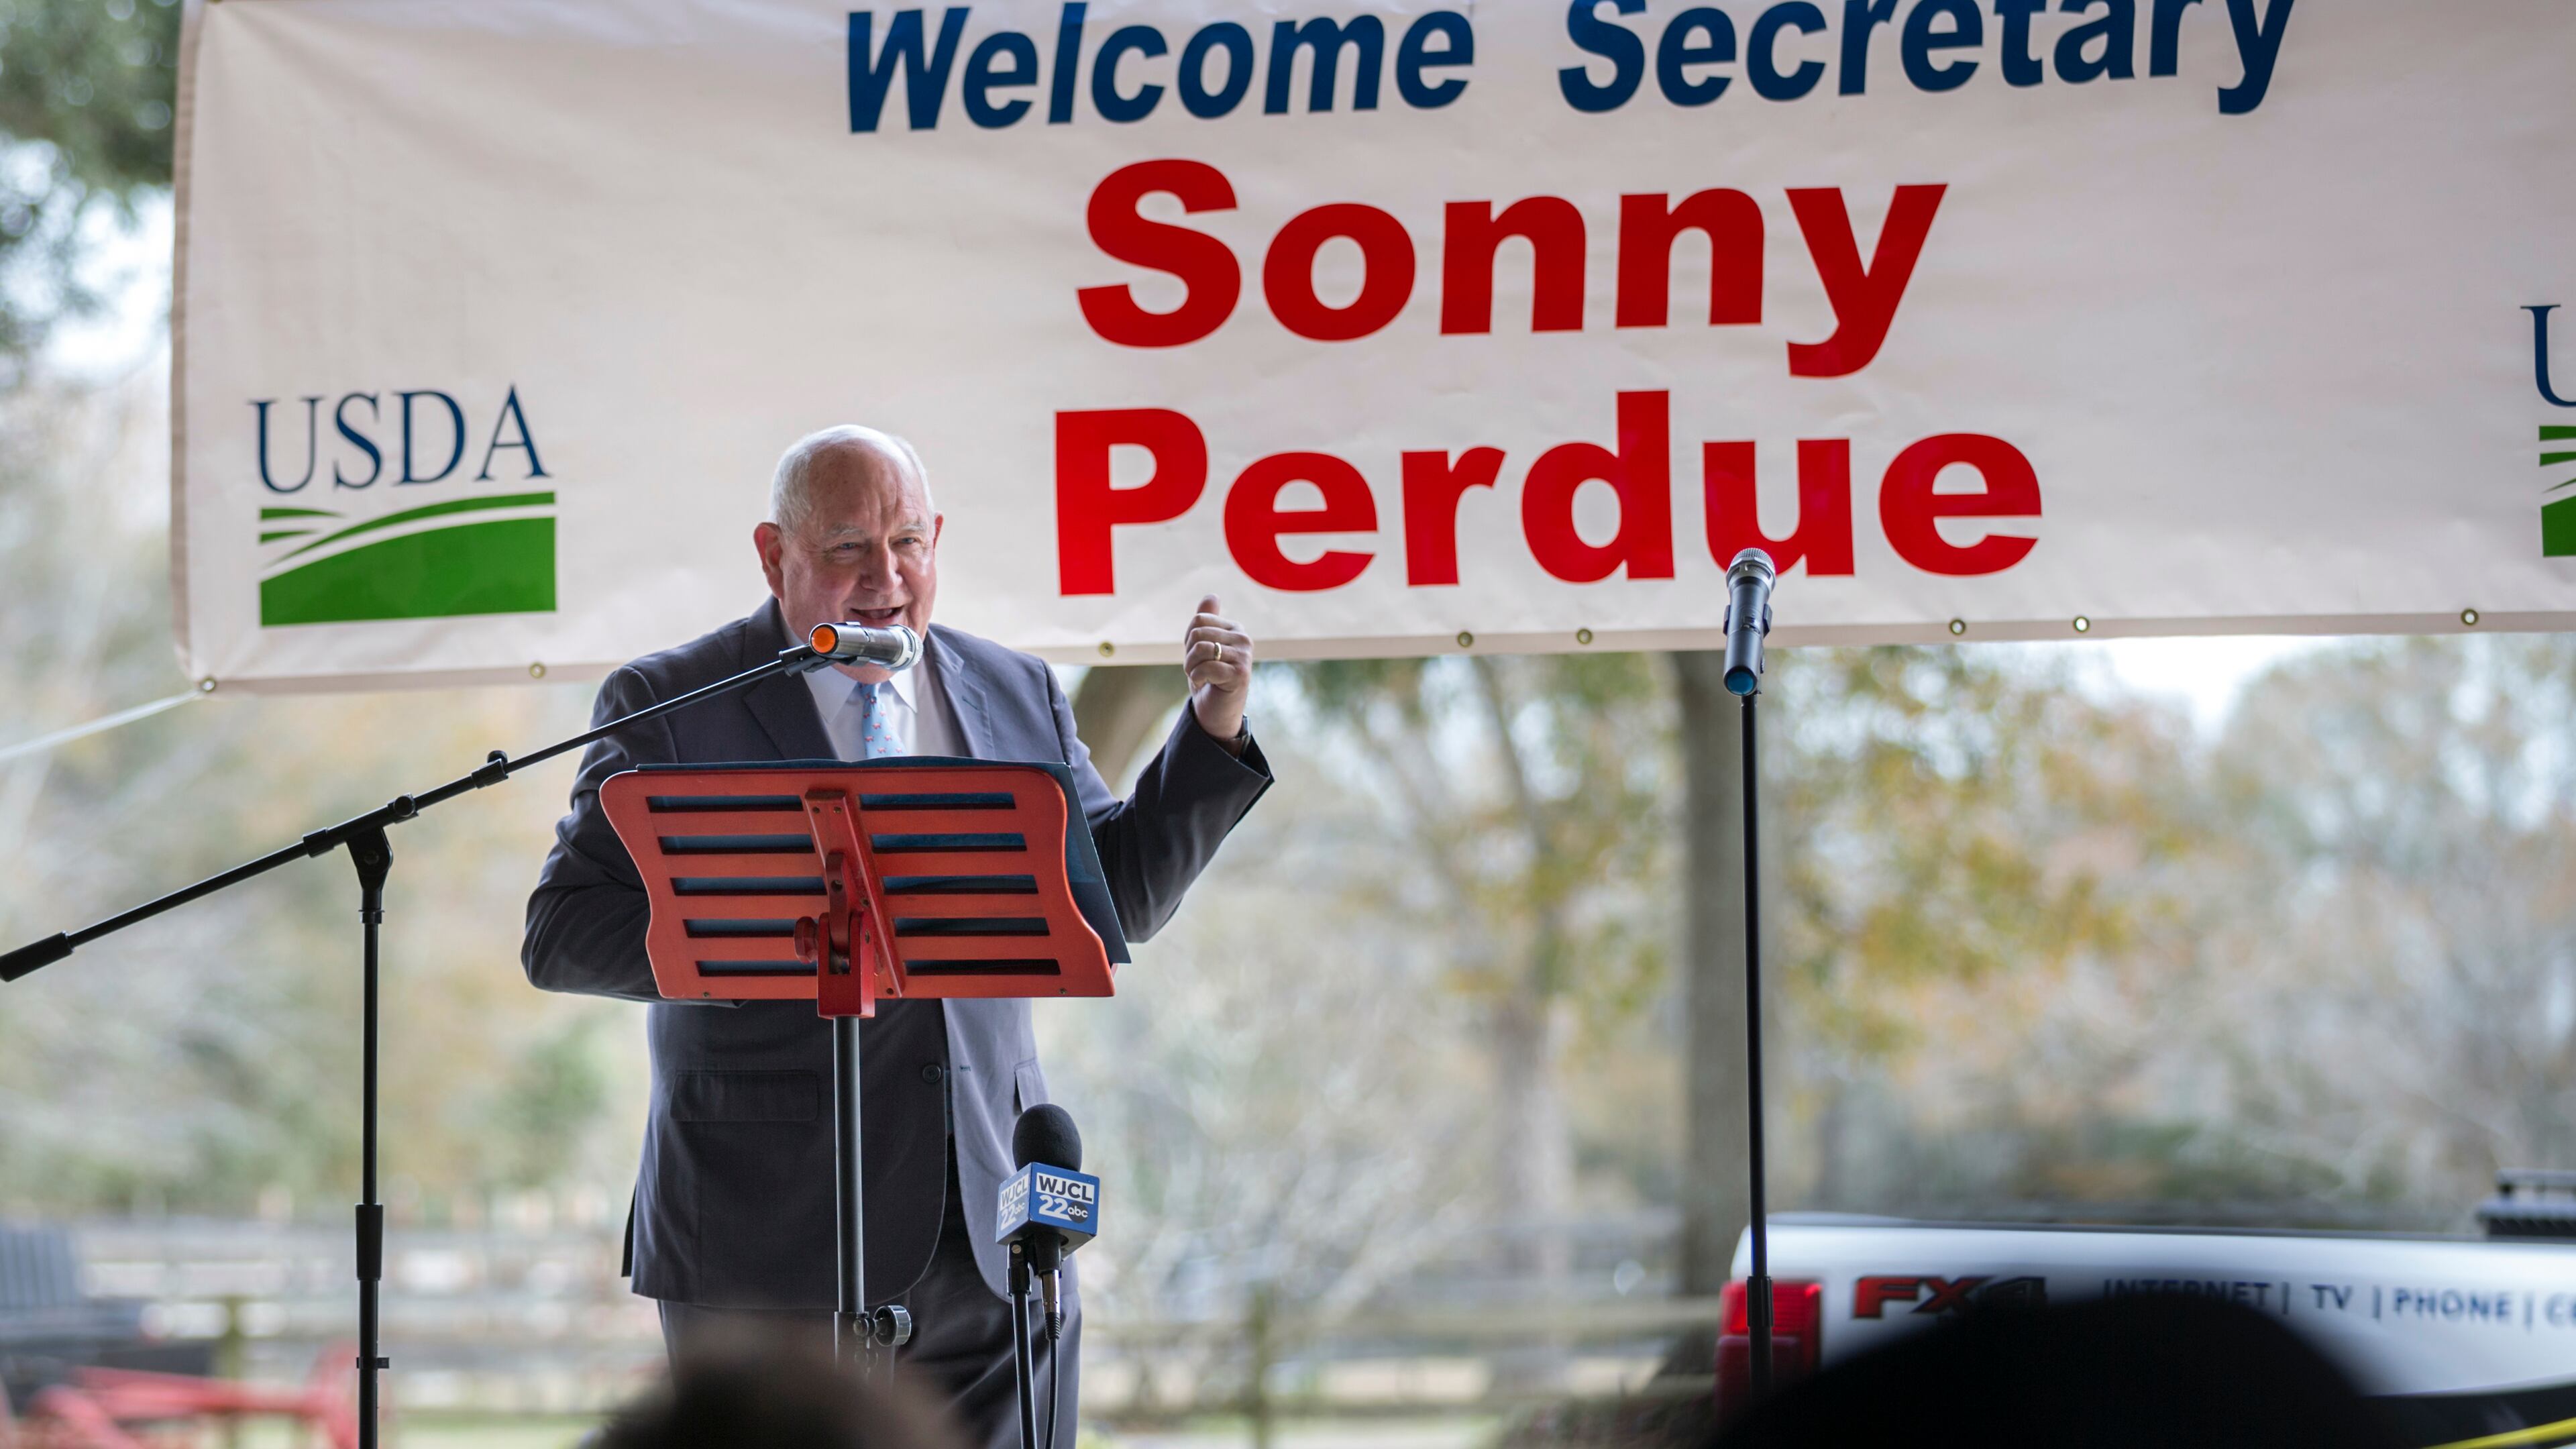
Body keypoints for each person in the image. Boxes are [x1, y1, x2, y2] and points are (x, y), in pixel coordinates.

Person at [524, 425, 1271, 1448]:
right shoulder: (669, 706)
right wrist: (764, 939)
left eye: (909, 544)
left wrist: (1214, 729)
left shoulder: (1016, 691)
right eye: (846, 550)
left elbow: (1118, 899)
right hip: (764, 1239)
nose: (886, 578)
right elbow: (562, 932)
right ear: (772, 554)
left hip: (991, 1236)